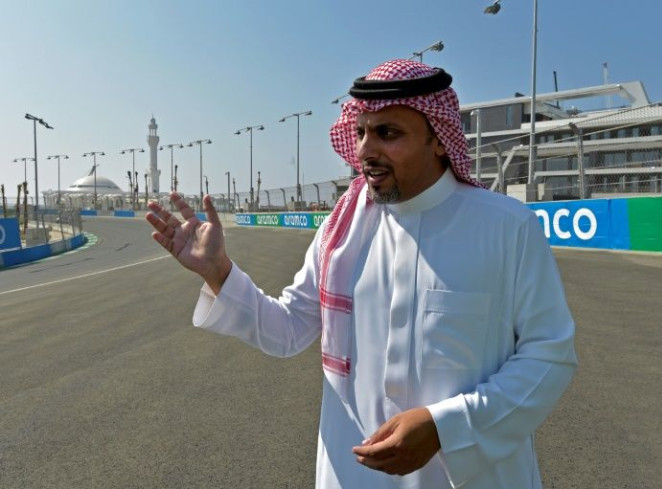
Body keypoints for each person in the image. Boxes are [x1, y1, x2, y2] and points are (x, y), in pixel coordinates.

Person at [146, 59, 577, 489]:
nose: (366, 151)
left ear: (439, 140)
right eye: (361, 133)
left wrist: (446, 427)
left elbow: (549, 355)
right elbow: (288, 330)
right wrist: (219, 271)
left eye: (388, 133)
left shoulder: (505, 226)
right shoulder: (344, 226)